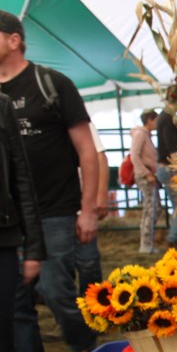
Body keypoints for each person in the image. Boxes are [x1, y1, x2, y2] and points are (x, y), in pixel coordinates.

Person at [0, 9, 100, 352]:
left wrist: (88, 209)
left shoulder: (52, 84)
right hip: (10, 220)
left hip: (57, 210)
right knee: (16, 304)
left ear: (13, 40)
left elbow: (87, 151)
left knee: (57, 292)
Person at [0, 91, 45, 352]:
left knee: (3, 347)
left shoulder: (1, 105)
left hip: (3, 237)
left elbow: (21, 178)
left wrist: (33, 247)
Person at [75, 122, 110, 292]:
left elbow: (100, 156)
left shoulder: (77, 118)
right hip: (50, 204)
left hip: (81, 203)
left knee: (88, 261)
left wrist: (101, 195)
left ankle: (92, 310)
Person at [155, 87, 177, 248]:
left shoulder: (163, 117)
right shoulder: (168, 119)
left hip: (166, 168)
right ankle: (172, 240)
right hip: (170, 169)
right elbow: (173, 151)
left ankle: (175, 239)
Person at [131, 109, 159, 254]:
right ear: (149, 120)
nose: (157, 123)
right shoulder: (141, 135)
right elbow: (134, 156)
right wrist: (146, 173)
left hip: (148, 175)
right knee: (151, 208)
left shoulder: (144, 135)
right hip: (146, 176)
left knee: (152, 208)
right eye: (156, 120)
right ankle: (146, 244)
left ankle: (147, 243)